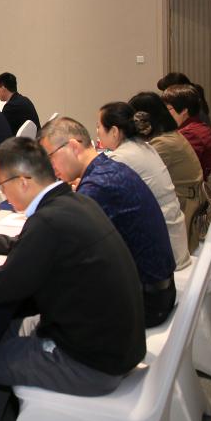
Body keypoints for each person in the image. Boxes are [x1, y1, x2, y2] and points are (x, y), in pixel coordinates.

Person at [0, 137, 145, 396]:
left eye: (2, 185)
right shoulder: (75, 202)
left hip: (90, 363)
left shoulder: (48, 221)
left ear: (22, 181)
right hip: (112, 345)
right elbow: (37, 247)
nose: (3, 193)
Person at [38, 117, 176, 327]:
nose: (50, 167)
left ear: (73, 146)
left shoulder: (98, 186)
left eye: (50, 157)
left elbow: (62, 245)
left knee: (47, 301)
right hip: (157, 289)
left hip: (146, 302)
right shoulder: (108, 168)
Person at [97, 102, 190, 270]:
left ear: (114, 131)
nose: (97, 132)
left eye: (99, 127)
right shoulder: (142, 146)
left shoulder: (122, 157)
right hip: (174, 241)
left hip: (164, 256)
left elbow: (96, 194)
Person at [129, 91, 205, 253]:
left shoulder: (163, 144)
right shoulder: (170, 136)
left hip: (182, 209)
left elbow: (134, 175)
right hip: (187, 200)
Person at [161, 84, 211, 181]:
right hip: (208, 183)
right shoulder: (197, 126)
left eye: (168, 109)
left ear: (184, 110)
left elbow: (176, 167)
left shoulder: (190, 134)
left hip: (203, 187)